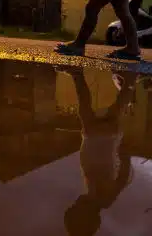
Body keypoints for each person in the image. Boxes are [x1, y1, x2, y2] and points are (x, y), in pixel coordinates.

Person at [60, 67, 135, 235]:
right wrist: (125, 155)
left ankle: (130, 82)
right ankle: (78, 75)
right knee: (86, 109)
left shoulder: (100, 199)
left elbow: (122, 178)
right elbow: (122, 179)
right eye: (76, 208)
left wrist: (124, 154)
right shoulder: (102, 198)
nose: (76, 202)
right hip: (98, 141)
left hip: (105, 141)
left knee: (115, 110)